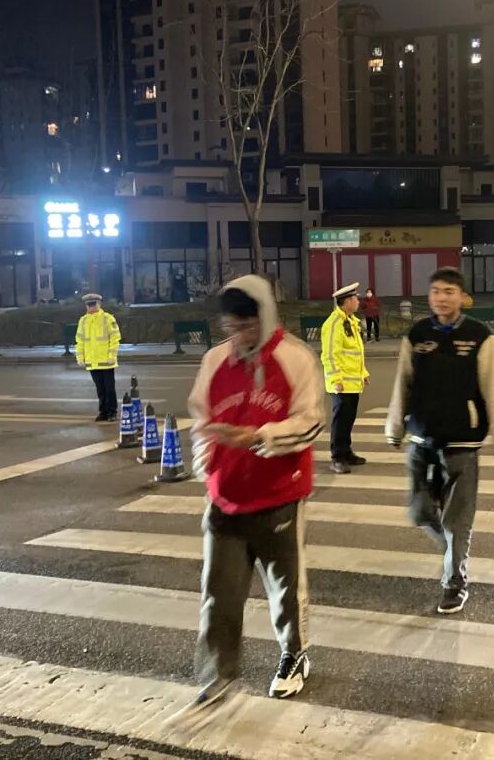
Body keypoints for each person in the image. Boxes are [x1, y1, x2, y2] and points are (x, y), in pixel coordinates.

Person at [178, 275, 324, 721]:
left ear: (265, 316)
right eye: (231, 327)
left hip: (279, 496)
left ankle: (294, 654)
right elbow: (202, 422)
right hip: (225, 500)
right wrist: (206, 463)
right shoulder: (214, 362)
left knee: (286, 590)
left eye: (247, 325)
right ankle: (218, 675)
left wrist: (258, 437)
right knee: (218, 593)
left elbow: (311, 422)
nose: (239, 335)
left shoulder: (295, 359)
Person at [386, 267, 494, 615]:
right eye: (436, 291)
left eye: (449, 291)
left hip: (462, 443)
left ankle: (454, 582)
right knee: (419, 511)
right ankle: (452, 551)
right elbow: (403, 381)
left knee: (457, 520)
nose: (441, 298)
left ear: (461, 296)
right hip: (421, 439)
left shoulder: (479, 336)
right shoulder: (417, 335)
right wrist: (394, 427)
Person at [321, 282, 369, 474]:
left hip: (352, 383)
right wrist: (335, 380)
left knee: (348, 420)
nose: (358, 301)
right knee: (340, 421)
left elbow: (355, 353)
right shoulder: (334, 324)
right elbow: (329, 355)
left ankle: (346, 452)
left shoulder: (351, 321)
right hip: (340, 384)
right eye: (355, 298)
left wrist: (363, 374)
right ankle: (337, 457)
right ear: (346, 301)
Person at [75, 293, 121, 422]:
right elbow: (80, 341)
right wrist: (80, 357)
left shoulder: (108, 318)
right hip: (92, 361)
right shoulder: (83, 321)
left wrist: (112, 356)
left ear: (99, 304)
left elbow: (115, 339)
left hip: (106, 361)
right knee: (100, 389)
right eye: (89, 305)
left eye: (93, 304)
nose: (91, 307)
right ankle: (103, 412)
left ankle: (112, 412)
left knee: (109, 389)